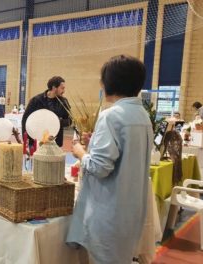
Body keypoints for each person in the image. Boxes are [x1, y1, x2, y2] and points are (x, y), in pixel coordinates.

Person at [66, 55, 152, 264]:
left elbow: (99, 167)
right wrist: (95, 142)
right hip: (130, 211)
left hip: (108, 214)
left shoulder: (111, 115)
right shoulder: (141, 115)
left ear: (109, 83)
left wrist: (79, 151)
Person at [21, 76, 71, 147]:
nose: (64, 91)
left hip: (55, 143)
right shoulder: (36, 100)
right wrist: (26, 139)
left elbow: (70, 120)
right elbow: (25, 119)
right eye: (62, 88)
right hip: (36, 141)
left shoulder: (64, 102)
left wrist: (57, 122)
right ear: (54, 88)